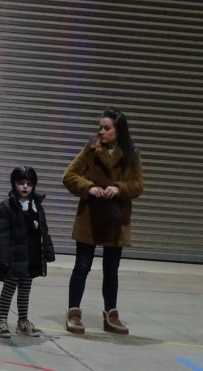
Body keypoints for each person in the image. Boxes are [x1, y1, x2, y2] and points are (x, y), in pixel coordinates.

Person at [62, 108, 143, 335]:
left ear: (119, 131)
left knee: (111, 270)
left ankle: (111, 315)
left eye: (107, 128)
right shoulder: (90, 149)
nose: (101, 131)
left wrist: (119, 188)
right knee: (82, 266)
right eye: (100, 127)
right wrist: (89, 187)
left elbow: (138, 185)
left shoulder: (132, 154)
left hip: (116, 219)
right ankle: (74, 313)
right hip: (90, 217)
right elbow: (68, 176)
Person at [0, 166, 55, 338]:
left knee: (25, 289)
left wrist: (47, 252)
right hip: (14, 256)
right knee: (9, 287)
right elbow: (2, 235)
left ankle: (23, 321)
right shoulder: (6, 207)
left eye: (29, 183)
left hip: (32, 255)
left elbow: (43, 230)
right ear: (14, 184)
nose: (25, 187)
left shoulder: (37, 206)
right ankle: (3, 321)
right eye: (21, 183)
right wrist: (4, 258)